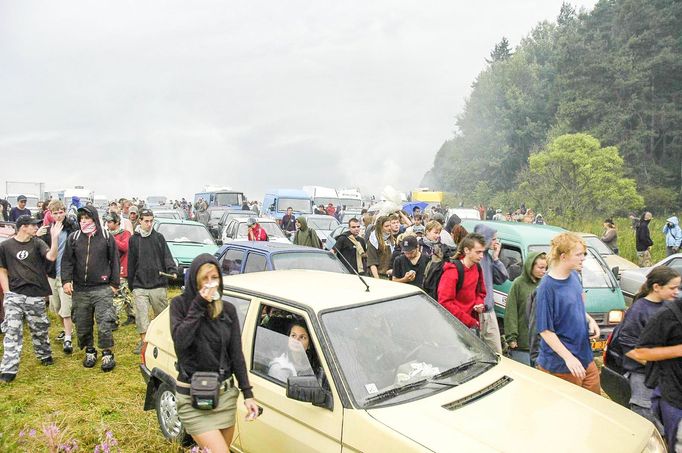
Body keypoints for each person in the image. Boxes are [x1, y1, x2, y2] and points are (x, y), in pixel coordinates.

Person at [170, 254, 259, 452]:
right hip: (193, 395)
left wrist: (248, 394)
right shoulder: (180, 305)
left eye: (215, 277)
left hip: (224, 395)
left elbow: (236, 354)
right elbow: (181, 341)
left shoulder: (227, 310)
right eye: (205, 278)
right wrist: (199, 303)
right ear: (195, 280)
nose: (211, 283)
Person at [535, 232, 601, 394]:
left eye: (583, 254)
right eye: (578, 254)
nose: (583, 258)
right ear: (563, 256)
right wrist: (568, 358)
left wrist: (590, 320)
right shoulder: (546, 288)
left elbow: (578, 306)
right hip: (562, 365)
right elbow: (545, 331)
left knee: (594, 407)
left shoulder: (574, 276)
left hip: (585, 356)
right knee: (571, 413)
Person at [0, 216, 61, 383]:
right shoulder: (5, 246)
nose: (36, 228)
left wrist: (55, 239)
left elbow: (51, 257)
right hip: (14, 295)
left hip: (35, 293)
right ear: (23, 227)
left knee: (39, 328)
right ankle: (8, 370)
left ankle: (44, 355)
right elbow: (2, 270)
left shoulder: (37, 243)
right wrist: (7, 293)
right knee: (12, 331)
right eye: (33, 225)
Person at [61, 205, 120, 372]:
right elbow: (67, 261)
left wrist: (114, 284)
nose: (84, 221)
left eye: (87, 218)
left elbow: (114, 261)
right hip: (80, 289)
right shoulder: (74, 238)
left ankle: (107, 353)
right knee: (82, 323)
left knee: (105, 322)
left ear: (94, 218)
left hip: (102, 288)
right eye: (81, 219)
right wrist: (66, 280)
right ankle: (89, 351)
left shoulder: (107, 237)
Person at [619, 267, 681, 426]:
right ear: (656, 287)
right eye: (672, 288)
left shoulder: (668, 308)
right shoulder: (639, 310)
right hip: (643, 375)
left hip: (666, 374)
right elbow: (631, 349)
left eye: (678, 288)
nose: (676, 292)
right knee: (646, 417)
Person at [630, 297, 682, 452]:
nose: (673, 291)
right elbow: (638, 352)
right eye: (671, 287)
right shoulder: (667, 314)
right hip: (675, 396)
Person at [128, 209, 177, 354]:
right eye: (146, 221)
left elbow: (167, 256)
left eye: (151, 221)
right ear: (140, 221)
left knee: (161, 316)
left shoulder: (159, 238)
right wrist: (132, 283)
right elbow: (131, 263)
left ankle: (161, 341)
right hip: (139, 285)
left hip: (158, 284)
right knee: (142, 316)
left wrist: (172, 270)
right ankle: (144, 343)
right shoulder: (134, 240)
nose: (149, 224)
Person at [41, 200, 78, 353]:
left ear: (65, 211)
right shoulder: (47, 230)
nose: (58, 215)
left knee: (66, 307)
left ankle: (68, 338)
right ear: (50, 214)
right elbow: (41, 251)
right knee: (56, 307)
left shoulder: (72, 229)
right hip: (52, 273)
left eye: (60, 212)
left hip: (66, 274)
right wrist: (37, 235)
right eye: (55, 213)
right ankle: (66, 329)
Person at [504, 252, 547, 365]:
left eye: (545, 268)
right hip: (522, 344)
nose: (544, 271)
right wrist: (511, 337)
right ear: (530, 266)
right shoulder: (518, 284)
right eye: (541, 267)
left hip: (540, 344)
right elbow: (511, 312)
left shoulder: (545, 284)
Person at [437, 233, 487, 330]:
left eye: (482, 252)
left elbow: (481, 292)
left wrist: (478, 303)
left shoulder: (477, 267)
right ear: (467, 250)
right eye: (478, 252)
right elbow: (445, 303)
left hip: (471, 324)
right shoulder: (452, 271)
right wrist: (469, 321)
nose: (481, 256)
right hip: (454, 327)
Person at [473, 224, 509, 354]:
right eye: (493, 239)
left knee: (496, 352)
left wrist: (496, 258)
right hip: (475, 312)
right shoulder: (474, 258)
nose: (496, 242)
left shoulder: (488, 257)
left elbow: (501, 278)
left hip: (489, 311)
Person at [105, 212, 135, 327]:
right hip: (112, 268)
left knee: (118, 295)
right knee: (125, 294)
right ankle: (132, 315)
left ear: (117, 222)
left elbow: (124, 247)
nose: (107, 224)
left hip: (123, 267)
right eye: (107, 222)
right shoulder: (107, 234)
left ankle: (114, 320)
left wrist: (111, 239)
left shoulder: (125, 233)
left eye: (110, 222)